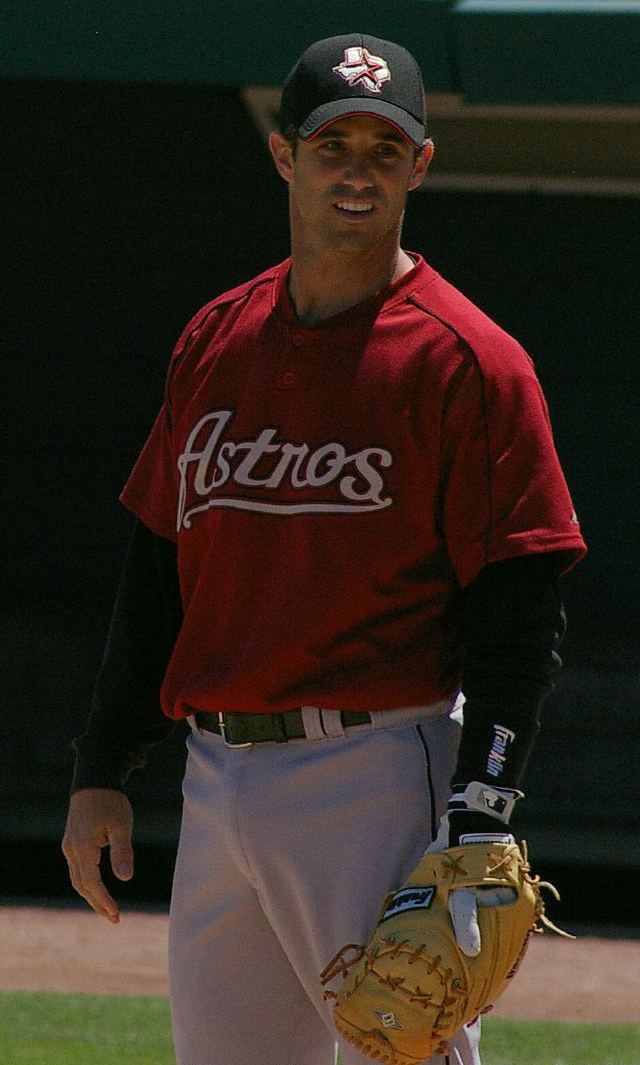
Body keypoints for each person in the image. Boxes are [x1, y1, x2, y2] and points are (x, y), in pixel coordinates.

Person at [62, 33, 586, 1065]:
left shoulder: (470, 362)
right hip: (215, 773)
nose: (358, 168)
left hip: (375, 767)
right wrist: (102, 762)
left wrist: (482, 806)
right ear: (282, 157)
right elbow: (161, 563)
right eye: (332, 142)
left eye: (384, 149)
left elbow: (521, 601)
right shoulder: (217, 336)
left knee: (403, 1051)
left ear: (420, 165)